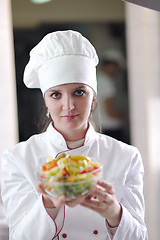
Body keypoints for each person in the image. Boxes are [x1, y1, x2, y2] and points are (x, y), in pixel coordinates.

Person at [1, 30, 148, 240]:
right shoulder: (17, 158)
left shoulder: (126, 156)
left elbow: (140, 237)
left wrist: (114, 213)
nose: (68, 106)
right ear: (45, 100)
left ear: (94, 96)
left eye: (79, 92)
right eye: (56, 95)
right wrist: (49, 203)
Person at [93, 49, 129, 143]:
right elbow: (110, 112)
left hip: (99, 127)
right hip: (111, 129)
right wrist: (128, 115)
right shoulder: (106, 82)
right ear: (112, 65)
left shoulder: (96, 78)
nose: (118, 71)